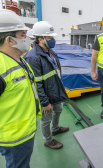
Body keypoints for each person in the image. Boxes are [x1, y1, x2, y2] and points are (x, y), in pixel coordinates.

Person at [0, 9, 42, 167]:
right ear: (9, 40)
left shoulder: (18, 59)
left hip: (25, 131)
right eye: (23, 35)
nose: (27, 38)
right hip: (14, 138)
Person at [24, 21, 69, 149]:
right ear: (40, 39)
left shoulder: (50, 51)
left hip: (55, 90)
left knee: (58, 109)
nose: (53, 40)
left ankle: (55, 129)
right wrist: (44, 102)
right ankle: (48, 140)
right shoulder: (33, 57)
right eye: (50, 38)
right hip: (45, 95)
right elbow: (36, 83)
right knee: (46, 118)